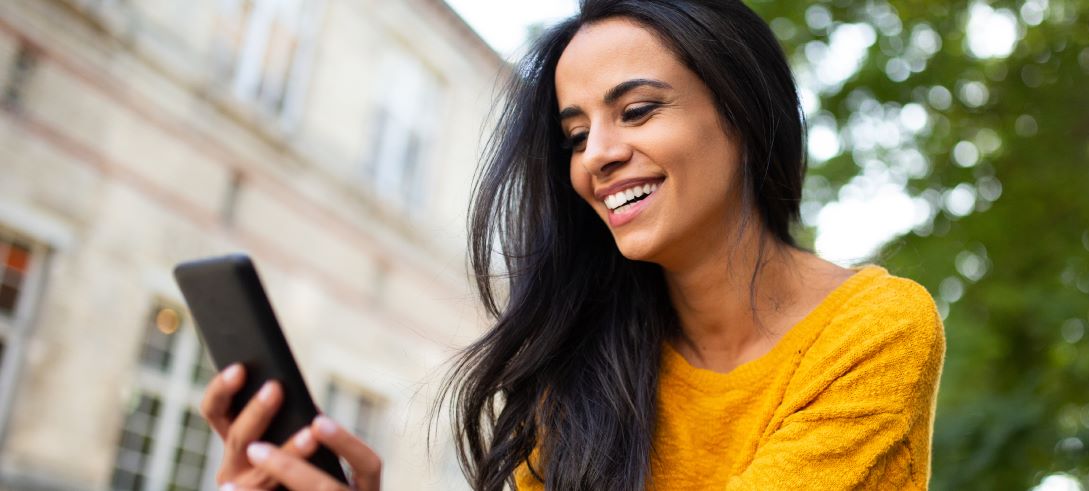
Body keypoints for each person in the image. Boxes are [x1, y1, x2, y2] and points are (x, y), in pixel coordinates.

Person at [199, 0, 946, 489]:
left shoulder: (876, 330)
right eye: (576, 134)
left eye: (639, 110)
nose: (597, 156)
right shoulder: (588, 372)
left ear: (744, 115)